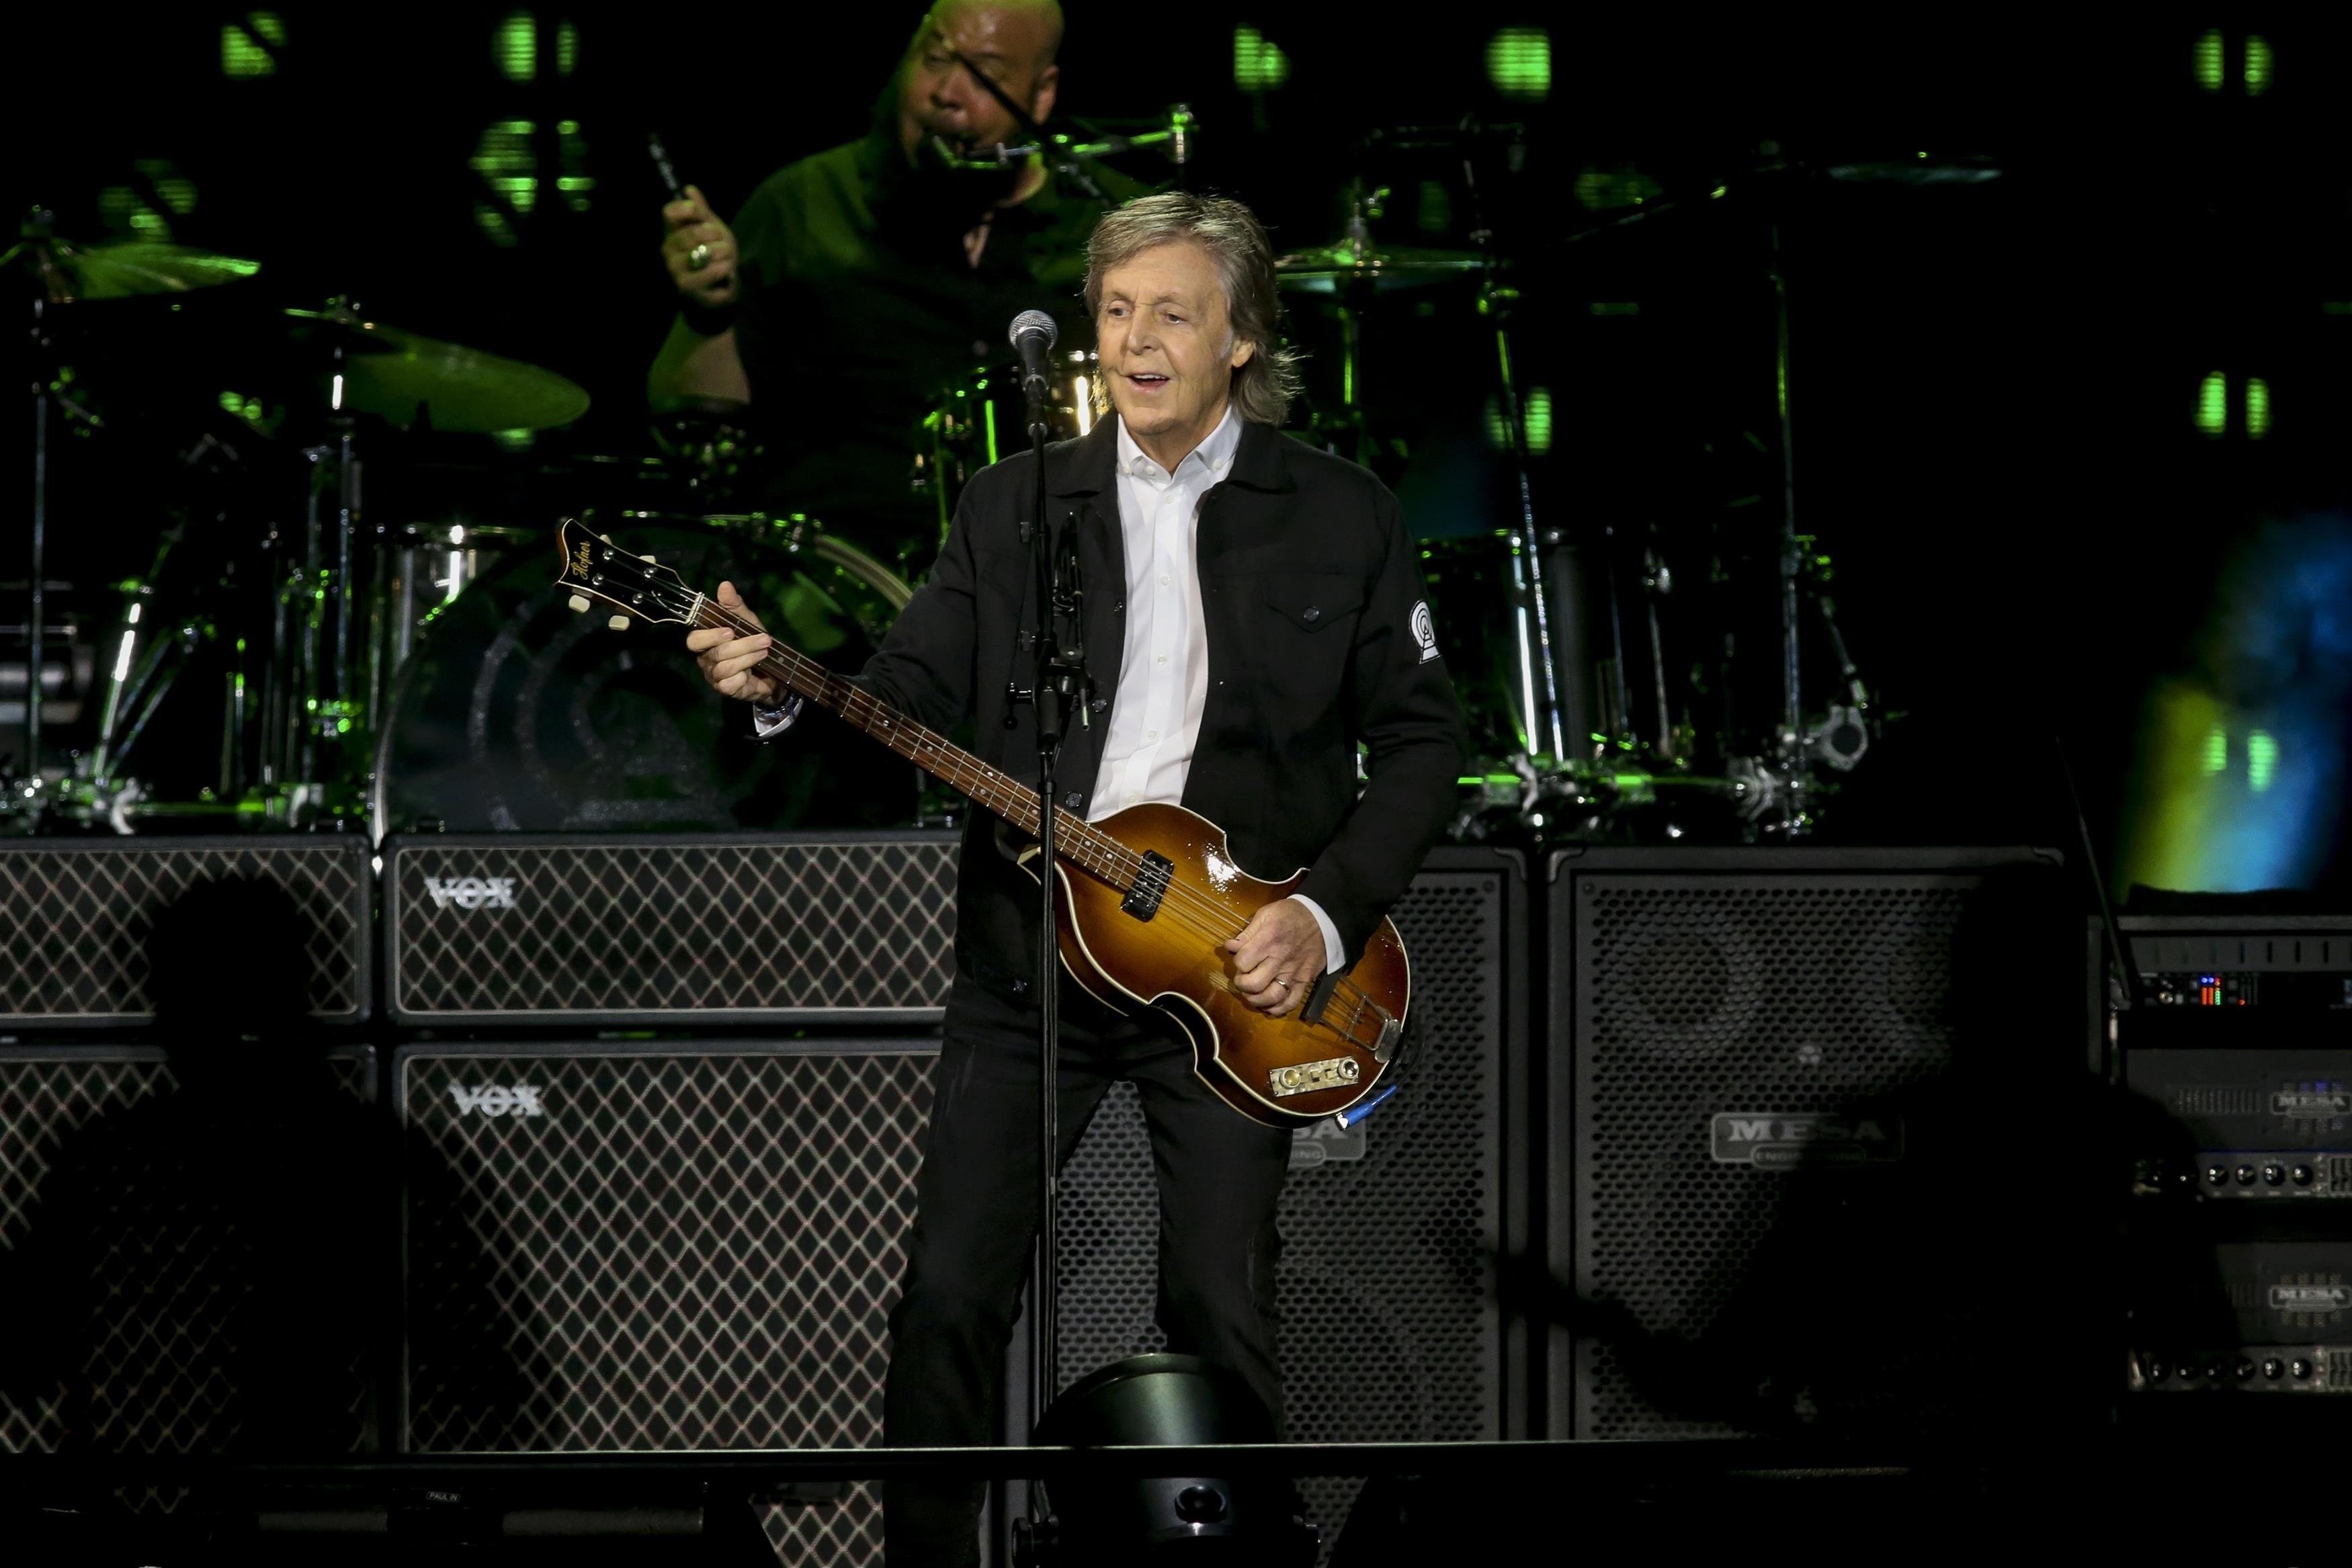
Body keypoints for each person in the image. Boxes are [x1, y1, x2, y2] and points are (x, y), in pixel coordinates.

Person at [689, 190, 1467, 1567]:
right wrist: (782, 688)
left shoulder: (1341, 514)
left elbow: (1421, 743)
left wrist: (1321, 911)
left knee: (1220, 1304)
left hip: (1232, 971)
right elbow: (907, 694)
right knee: (946, 1298)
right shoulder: (1015, 504)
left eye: (1171, 313)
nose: (1134, 340)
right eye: (1114, 311)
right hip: (1024, 967)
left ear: (1241, 338)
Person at [648, 0, 1138, 558]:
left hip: (1056, 571)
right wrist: (707, 313)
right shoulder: (805, 205)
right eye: (934, 60)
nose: (946, 93)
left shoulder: (1113, 229)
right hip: (835, 575)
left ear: (1042, 93)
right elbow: (698, 437)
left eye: (984, 76)